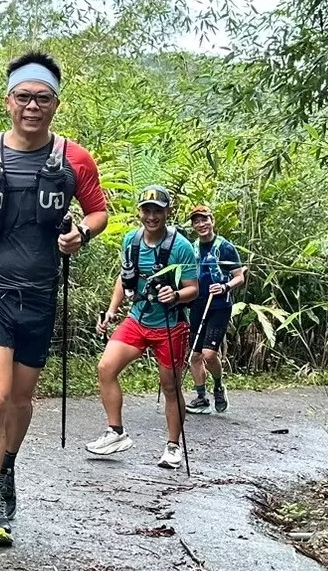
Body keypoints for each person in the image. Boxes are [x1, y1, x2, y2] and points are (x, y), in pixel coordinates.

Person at [0, 51, 108, 545]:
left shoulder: (74, 159)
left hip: (40, 293)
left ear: (56, 104)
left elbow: (98, 212)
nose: (32, 106)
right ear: (8, 100)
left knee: (20, 399)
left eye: (43, 98)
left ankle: (7, 466)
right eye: (24, 97)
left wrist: (81, 232)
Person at [85, 185, 198, 469]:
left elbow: (194, 290)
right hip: (138, 319)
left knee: (170, 387)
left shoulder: (180, 247)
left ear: (167, 213)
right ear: (140, 213)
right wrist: (111, 311)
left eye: (157, 211)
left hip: (170, 325)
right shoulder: (131, 242)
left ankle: (173, 447)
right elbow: (124, 281)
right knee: (106, 368)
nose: (151, 216)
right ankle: (116, 433)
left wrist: (175, 295)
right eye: (147, 210)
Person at [185, 205, 245, 414]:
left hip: (219, 305)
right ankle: (201, 398)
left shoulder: (225, 247)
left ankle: (218, 386)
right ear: (193, 225)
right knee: (194, 354)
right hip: (198, 304)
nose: (201, 224)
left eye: (205, 219)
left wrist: (224, 286)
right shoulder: (191, 248)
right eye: (196, 221)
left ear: (212, 221)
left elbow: (239, 276)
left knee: (209, 355)